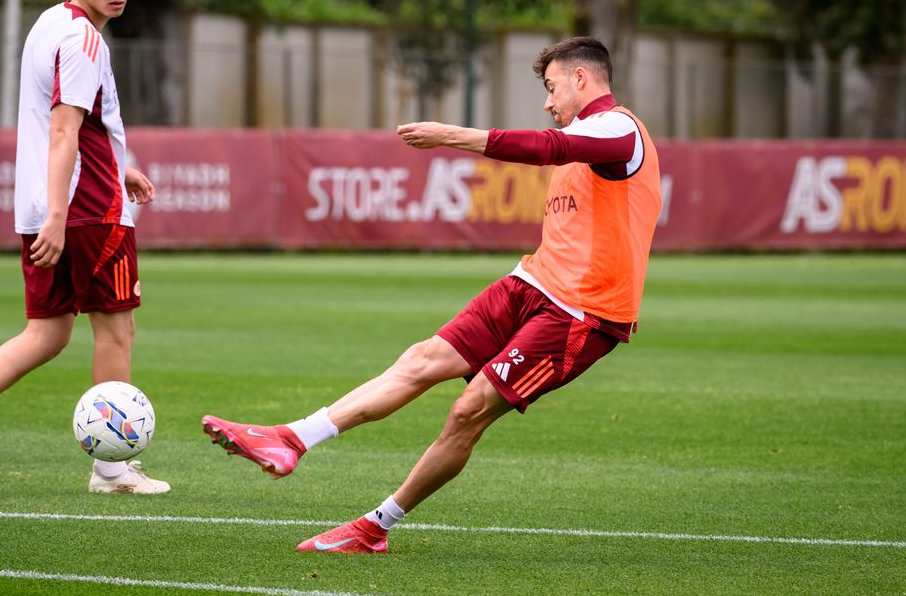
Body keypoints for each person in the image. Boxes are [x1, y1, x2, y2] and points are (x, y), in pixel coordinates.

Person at [202, 36, 661, 552]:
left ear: (581, 79)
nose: (547, 102)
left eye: (552, 88)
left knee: (468, 411)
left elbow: (550, 147)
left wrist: (451, 135)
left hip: (582, 314)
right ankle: (291, 439)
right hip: (530, 283)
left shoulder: (619, 128)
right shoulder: (586, 132)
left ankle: (376, 526)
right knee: (421, 359)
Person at [0, 0, 169, 495]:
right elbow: (63, 128)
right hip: (87, 210)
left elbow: (68, 123)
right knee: (117, 329)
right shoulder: (84, 40)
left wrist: (117, 162)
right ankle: (111, 470)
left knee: (49, 332)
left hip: (44, 201)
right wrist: (62, 214)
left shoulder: (49, 23)